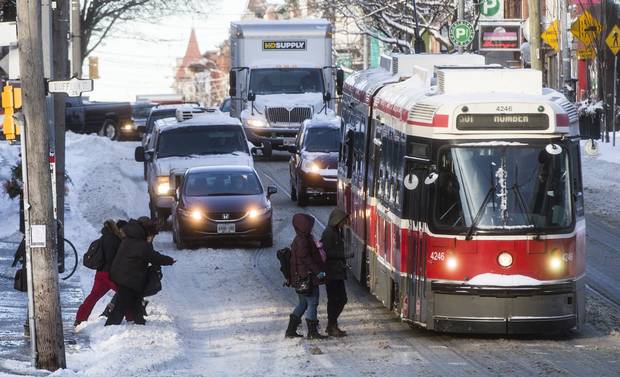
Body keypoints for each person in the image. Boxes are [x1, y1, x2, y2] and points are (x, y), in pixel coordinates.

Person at [105, 217, 175, 326]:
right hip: (127, 278)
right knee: (121, 304)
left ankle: (139, 321)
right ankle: (110, 326)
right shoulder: (139, 244)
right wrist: (168, 260)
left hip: (125, 275)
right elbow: (152, 256)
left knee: (136, 299)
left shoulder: (131, 238)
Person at [74, 219, 127, 326]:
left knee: (92, 297)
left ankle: (80, 319)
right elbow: (113, 259)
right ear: (118, 229)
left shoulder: (103, 238)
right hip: (111, 275)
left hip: (100, 274)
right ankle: (132, 317)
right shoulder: (114, 240)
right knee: (126, 294)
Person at [285, 213, 327, 339]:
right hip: (307, 278)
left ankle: (291, 330)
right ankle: (312, 332)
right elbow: (306, 259)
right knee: (313, 303)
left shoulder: (301, 238)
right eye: (309, 225)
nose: (311, 227)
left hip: (300, 278)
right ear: (303, 226)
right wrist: (318, 272)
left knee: (303, 303)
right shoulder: (303, 240)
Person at [321, 208, 348, 337]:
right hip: (331, 273)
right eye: (343, 221)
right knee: (335, 299)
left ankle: (332, 324)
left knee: (341, 299)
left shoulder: (336, 232)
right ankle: (331, 325)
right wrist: (343, 255)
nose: (345, 223)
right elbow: (327, 252)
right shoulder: (329, 233)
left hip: (337, 272)